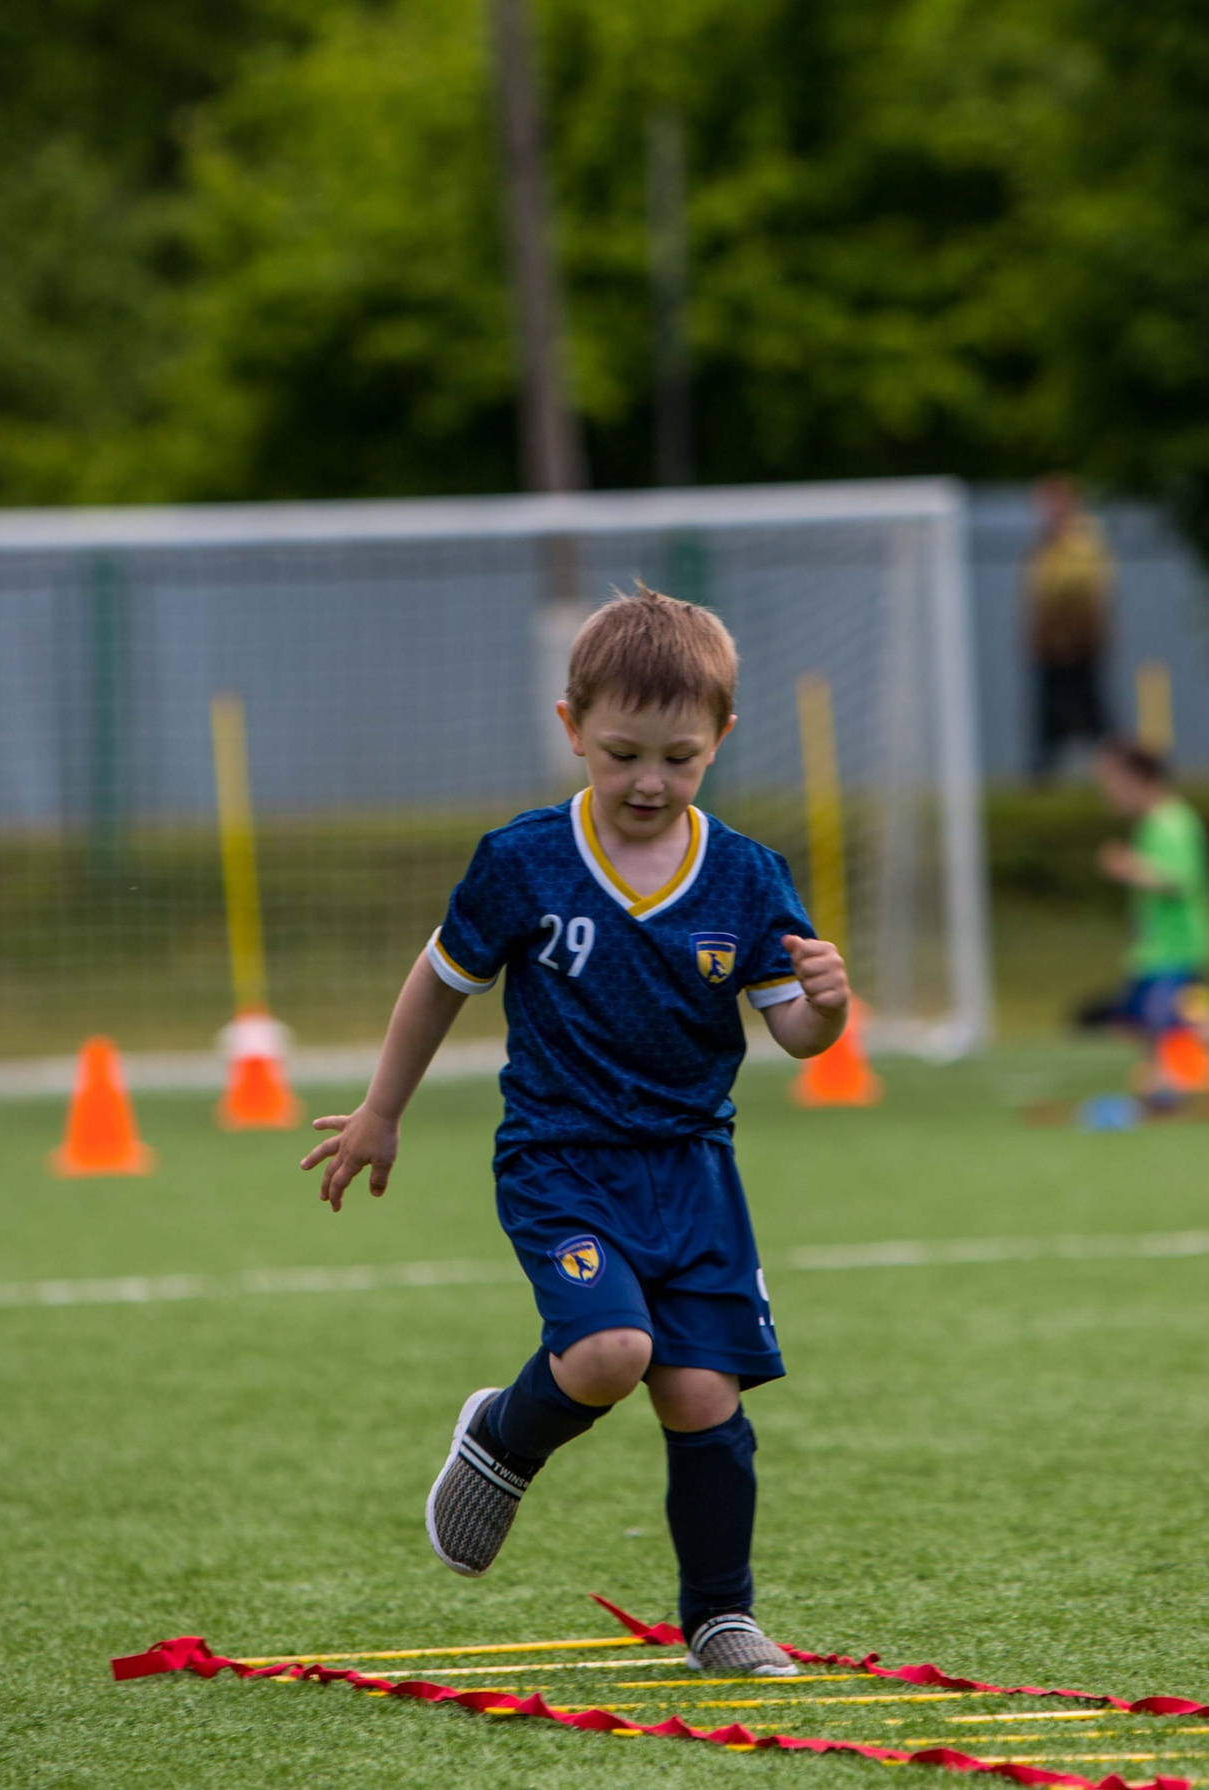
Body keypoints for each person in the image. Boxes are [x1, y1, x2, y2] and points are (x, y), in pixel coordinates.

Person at [300, 583, 851, 1678]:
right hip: (560, 1158)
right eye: (621, 751)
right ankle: (503, 1437)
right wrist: (381, 1109)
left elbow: (793, 1031)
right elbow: (438, 979)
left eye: (679, 758)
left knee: (701, 1390)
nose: (649, 780)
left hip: (692, 1170)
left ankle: (720, 1616)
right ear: (571, 729)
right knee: (609, 1350)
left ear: (721, 742)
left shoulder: (746, 876)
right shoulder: (525, 860)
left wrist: (827, 1004)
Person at [1085, 737, 1209, 1100]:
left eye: (1112, 783)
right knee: (1131, 1018)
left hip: (1180, 942)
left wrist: (1130, 868)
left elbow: (1178, 881)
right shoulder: (1152, 823)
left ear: (1137, 779)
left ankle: (1173, 1081)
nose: (1108, 794)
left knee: (1164, 1017)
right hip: (1153, 947)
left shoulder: (1172, 822)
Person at [1024, 475, 1115, 780]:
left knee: (1091, 711)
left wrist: (1078, 637)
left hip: (1079, 643)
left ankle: (1113, 766)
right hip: (1049, 645)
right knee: (1047, 712)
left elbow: (1086, 594)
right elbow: (1036, 596)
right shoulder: (1044, 546)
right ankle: (1043, 774)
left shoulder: (1084, 544)